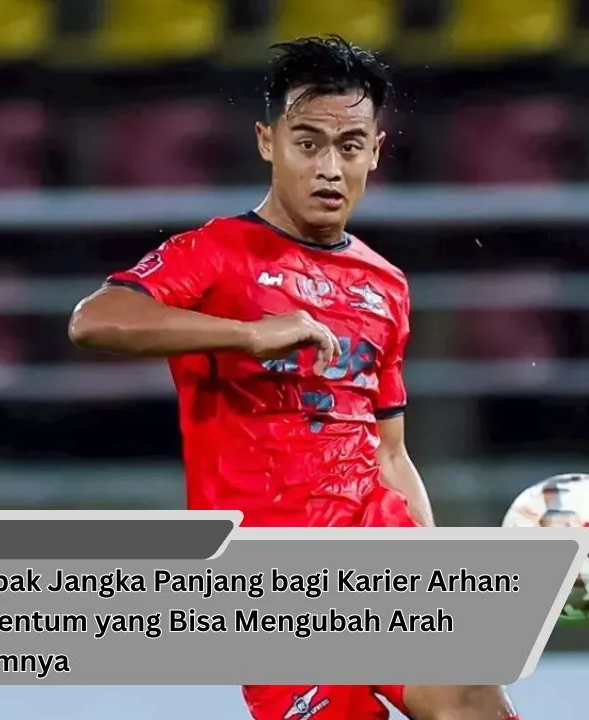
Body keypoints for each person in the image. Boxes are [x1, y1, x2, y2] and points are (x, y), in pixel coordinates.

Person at [69, 35, 522, 720]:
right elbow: (94, 320)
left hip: (377, 538)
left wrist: (439, 575)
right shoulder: (215, 253)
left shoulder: (386, 286)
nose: (329, 168)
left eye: (349, 146)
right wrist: (248, 334)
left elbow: (390, 452)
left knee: (471, 700)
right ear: (267, 142)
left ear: (375, 151)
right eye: (308, 144)